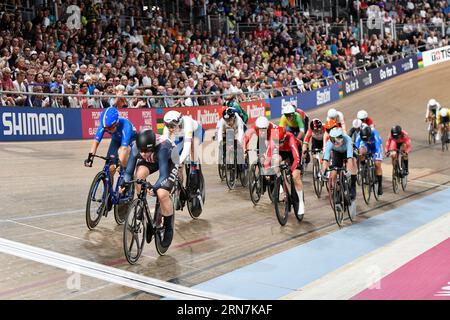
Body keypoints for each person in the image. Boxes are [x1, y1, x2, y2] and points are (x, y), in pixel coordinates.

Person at [134, 129, 179, 248]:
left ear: (151, 147)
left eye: (145, 150)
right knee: (138, 176)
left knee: (162, 193)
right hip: (153, 158)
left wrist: (154, 188)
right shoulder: (137, 147)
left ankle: (168, 228)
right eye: (140, 150)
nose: (142, 153)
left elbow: (164, 175)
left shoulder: (163, 149)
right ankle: (142, 205)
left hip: (169, 159)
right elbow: (129, 171)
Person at [84, 107, 138, 194]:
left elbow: (124, 149)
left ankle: (127, 174)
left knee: (122, 157)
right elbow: (96, 141)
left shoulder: (125, 125)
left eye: (110, 128)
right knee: (109, 168)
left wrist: (119, 163)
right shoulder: (105, 125)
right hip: (116, 140)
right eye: (106, 129)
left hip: (130, 141)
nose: (108, 130)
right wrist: (90, 157)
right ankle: (108, 194)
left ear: (116, 123)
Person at [264, 126, 305, 217]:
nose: (279, 144)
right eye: (277, 142)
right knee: (275, 161)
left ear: (284, 137)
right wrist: (267, 169)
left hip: (293, 152)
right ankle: (280, 182)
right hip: (282, 152)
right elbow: (268, 155)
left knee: (295, 176)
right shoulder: (273, 137)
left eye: (281, 142)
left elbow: (296, 158)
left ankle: (301, 202)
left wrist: (291, 169)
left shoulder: (290, 138)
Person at [162, 110, 205, 192]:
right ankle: (180, 187)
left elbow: (186, 148)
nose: (170, 129)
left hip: (195, 132)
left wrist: (178, 162)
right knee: (176, 155)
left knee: (193, 146)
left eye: (172, 126)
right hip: (181, 134)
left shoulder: (187, 123)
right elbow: (165, 146)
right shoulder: (167, 128)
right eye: (168, 126)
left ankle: (194, 169)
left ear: (179, 122)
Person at [322, 127, 358, 201]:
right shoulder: (330, 142)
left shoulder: (348, 140)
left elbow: (349, 158)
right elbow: (326, 158)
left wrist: (349, 172)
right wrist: (324, 170)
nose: (335, 143)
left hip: (347, 153)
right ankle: (337, 190)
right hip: (337, 154)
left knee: (353, 162)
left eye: (337, 142)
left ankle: (353, 186)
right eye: (333, 141)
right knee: (334, 172)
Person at [355, 125, 384, 196]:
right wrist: (358, 155)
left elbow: (377, 145)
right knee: (361, 152)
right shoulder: (359, 135)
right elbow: (356, 147)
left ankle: (380, 185)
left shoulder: (374, 132)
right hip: (366, 146)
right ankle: (364, 166)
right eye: (364, 139)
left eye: (367, 139)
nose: (366, 140)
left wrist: (376, 154)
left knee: (377, 164)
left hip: (375, 147)